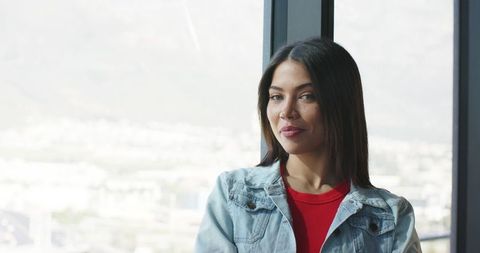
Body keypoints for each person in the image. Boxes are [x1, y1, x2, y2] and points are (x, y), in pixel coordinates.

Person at [195, 37, 422, 253]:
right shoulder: (234, 195)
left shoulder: (390, 217)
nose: (286, 111)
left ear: (340, 104)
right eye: (276, 97)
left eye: (306, 96)